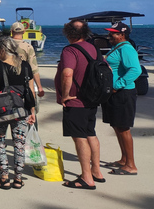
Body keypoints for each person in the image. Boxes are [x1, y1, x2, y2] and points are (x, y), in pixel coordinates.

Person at [56, 20, 105, 190]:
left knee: (79, 137)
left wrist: (65, 95)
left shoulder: (70, 50)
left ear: (68, 33)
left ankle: (86, 178)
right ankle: (96, 171)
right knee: (90, 133)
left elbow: (68, 73)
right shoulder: (94, 48)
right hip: (92, 99)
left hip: (76, 100)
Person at [0, 36, 36, 190]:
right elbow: (30, 91)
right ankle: (18, 179)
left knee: (0, 142)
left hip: (1, 111)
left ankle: (4, 178)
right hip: (22, 110)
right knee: (19, 144)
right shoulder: (26, 66)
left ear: (2, 50)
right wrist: (32, 111)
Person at [101, 21, 141, 175]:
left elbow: (135, 70)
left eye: (113, 33)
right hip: (114, 93)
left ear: (122, 35)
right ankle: (124, 159)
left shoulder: (126, 48)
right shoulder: (117, 47)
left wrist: (118, 85)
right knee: (117, 126)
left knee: (123, 128)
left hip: (123, 93)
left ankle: (131, 166)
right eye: (110, 32)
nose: (110, 35)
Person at [11, 21, 45, 103]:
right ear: (23, 32)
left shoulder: (5, 45)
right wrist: (39, 87)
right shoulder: (28, 47)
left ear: (11, 32)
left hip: (8, 80)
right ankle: (32, 112)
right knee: (31, 91)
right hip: (23, 80)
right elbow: (34, 68)